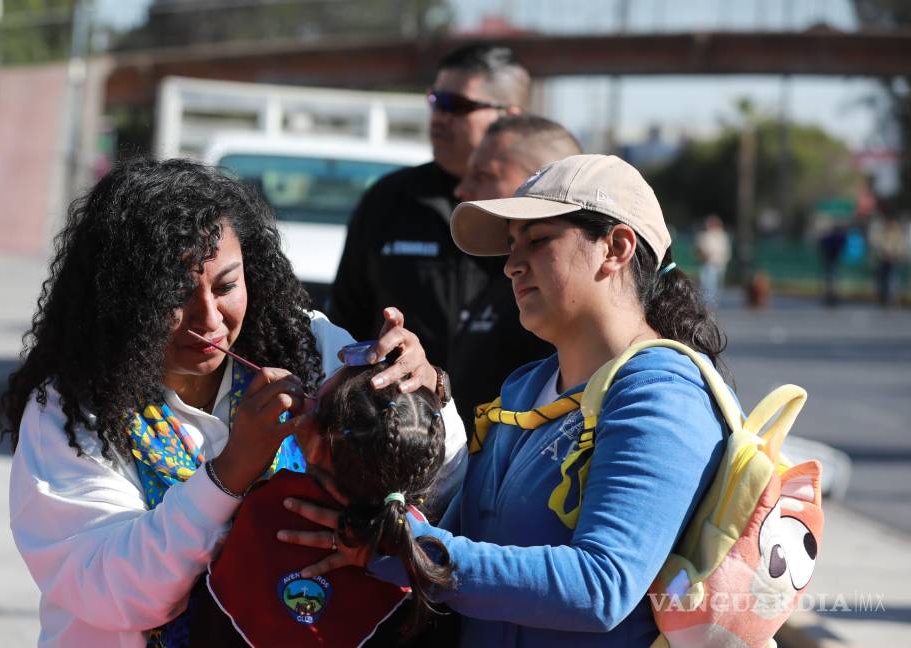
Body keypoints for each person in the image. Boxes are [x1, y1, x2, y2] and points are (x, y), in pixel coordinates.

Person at [1, 157, 468, 648]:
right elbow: (118, 593)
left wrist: (425, 390)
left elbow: (445, 485)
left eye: (226, 285)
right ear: (120, 298)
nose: (208, 319)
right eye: (173, 295)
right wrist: (231, 471)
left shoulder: (308, 345)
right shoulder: (71, 408)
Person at [281, 154, 729, 647]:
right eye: (512, 245)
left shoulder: (660, 394)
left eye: (538, 241)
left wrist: (412, 551)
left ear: (616, 247)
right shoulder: (524, 386)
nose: (513, 265)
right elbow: (462, 536)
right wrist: (369, 533)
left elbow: (602, 586)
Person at [192, 359, 453, 647]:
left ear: (318, 446)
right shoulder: (429, 551)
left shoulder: (261, 511)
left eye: (314, 400)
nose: (302, 404)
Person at [329, 44, 530, 369]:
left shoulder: (534, 212)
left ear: (508, 117)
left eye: (457, 105)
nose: (439, 116)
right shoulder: (389, 199)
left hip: (509, 414)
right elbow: (344, 322)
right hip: (401, 412)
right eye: (436, 101)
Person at [450, 114, 581, 423]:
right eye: (513, 244)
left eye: (483, 175)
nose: (462, 188)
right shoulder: (501, 276)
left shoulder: (558, 298)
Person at [693, 214, 730, 308]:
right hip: (708, 264)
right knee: (708, 284)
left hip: (719, 264)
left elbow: (725, 251)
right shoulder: (704, 235)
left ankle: (713, 302)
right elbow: (698, 250)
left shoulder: (722, 236)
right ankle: (708, 303)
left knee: (717, 285)